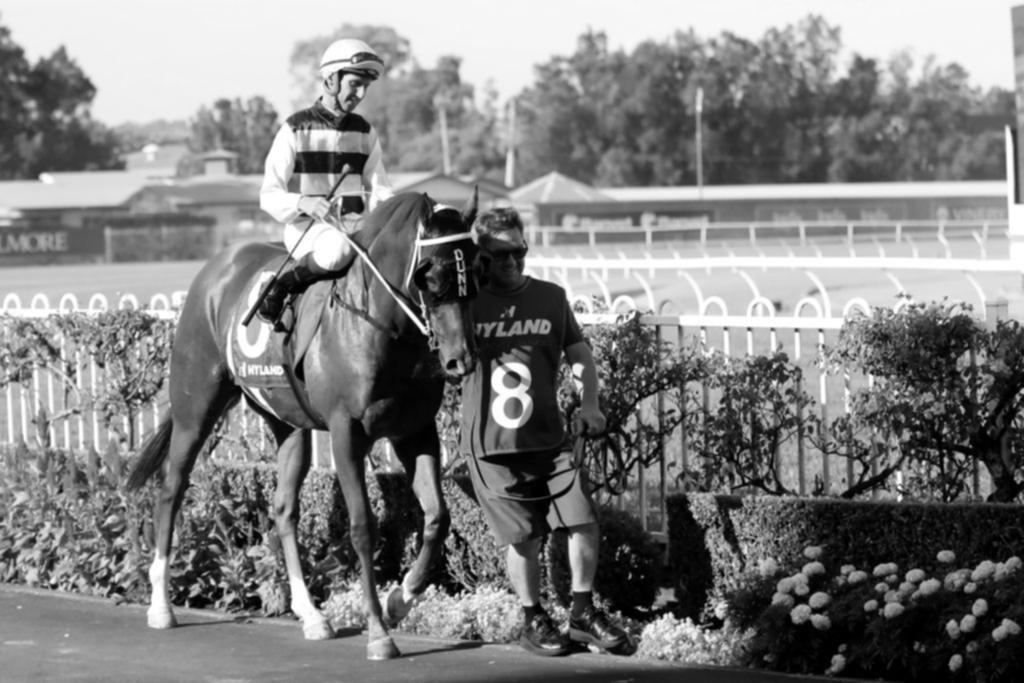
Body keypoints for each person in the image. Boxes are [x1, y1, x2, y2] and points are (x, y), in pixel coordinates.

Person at [459, 207, 628, 657]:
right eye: (499, 255)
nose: (511, 262)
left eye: (518, 251)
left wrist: (589, 403)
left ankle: (582, 613)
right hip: (492, 448)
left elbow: (580, 355)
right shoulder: (465, 306)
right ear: (481, 258)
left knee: (582, 519)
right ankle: (533, 617)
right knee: (525, 537)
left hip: (551, 441)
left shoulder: (552, 297)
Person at [257, 37, 395, 324]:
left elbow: (380, 190)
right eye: (355, 84)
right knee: (337, 251)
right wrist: (305, 203)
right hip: (308, 230)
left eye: (365, 87)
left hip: (356, 229)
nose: (360, 94)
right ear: (331, 80)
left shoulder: (365, 132)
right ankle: (282, 282)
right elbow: (268, 195)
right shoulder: (295, 128)